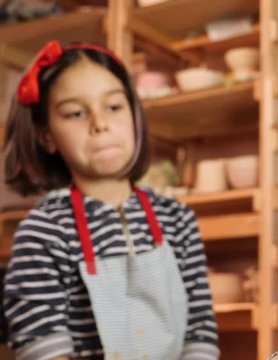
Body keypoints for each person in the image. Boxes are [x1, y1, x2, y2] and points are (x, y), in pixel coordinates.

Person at [1, 41, 220, 359]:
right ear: (47, 136)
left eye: (114, 107)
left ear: (134, 113)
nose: (99, 124)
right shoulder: (43, 232)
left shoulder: (178, 220)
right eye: (75, 113)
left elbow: (199, 330)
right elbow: (43, 347)